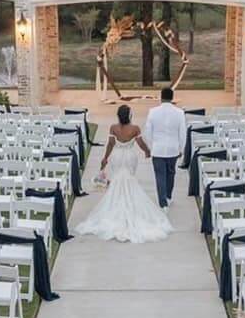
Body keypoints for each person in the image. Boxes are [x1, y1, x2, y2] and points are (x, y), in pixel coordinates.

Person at [76, 104, 173, 243]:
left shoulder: (113, 128)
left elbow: (110, 144)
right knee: (129, 179)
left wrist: (105, 158)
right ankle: (129, 205)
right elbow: (140, 143)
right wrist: (147, 151)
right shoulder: (135, 129)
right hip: (129, 157)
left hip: (116, 156)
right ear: (129, 115)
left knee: (117, 179)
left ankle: (117, 204)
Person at [144, 87, 186, 210]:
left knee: (160, 175)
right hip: (173, 148)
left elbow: (148, 131)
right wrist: (181, 148)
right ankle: (167, 197)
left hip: (157, 148)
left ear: (161, 97)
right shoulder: (179, 112)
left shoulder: (153, 111)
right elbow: (182, 133)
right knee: (171, 173)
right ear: (172, 98)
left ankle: (163, 201)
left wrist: (151, 146)